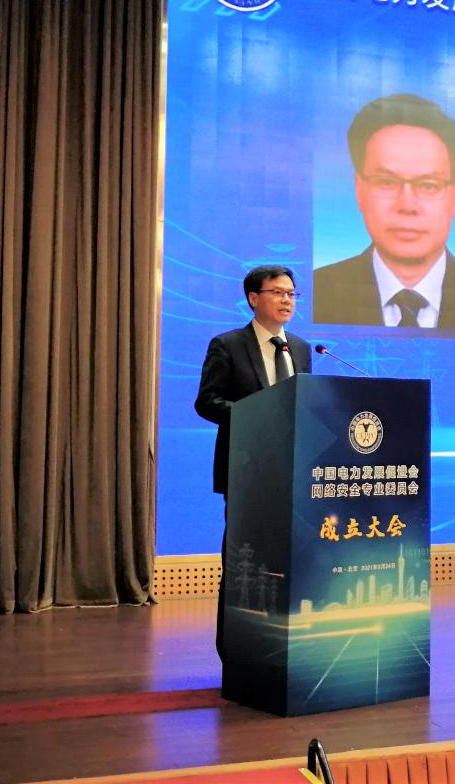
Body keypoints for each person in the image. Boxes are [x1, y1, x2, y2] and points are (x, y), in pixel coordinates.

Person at [194, 265, 312, 657]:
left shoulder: (300, 348)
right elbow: (207, 402)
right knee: (245, 564)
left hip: (293, 473)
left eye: (292, 294)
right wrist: (256, 414)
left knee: (288, 561)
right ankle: (235, 652)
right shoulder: (227, 345)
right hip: (247, 472)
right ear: (253, 298)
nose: (287, 300)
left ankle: (281, 646)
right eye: (278, 292)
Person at [312, 94, 455, 331]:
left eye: (429, 186)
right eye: (386, 182)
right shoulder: (316, 292)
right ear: (359, 189)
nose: (407, 206)